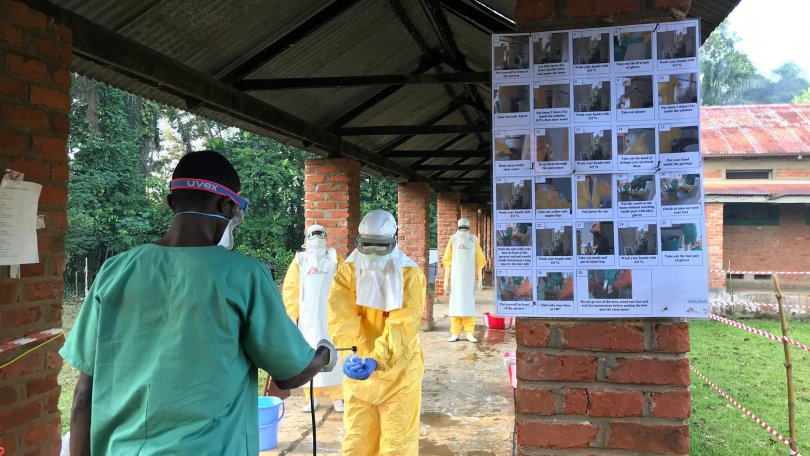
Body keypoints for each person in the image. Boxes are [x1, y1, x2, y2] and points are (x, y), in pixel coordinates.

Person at [60, 151, 337, 456]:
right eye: (235, 210)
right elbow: (291, 372)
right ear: (226, 205)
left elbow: (84, 392)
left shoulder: (115, 271)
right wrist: (325, 354)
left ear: (171, 203)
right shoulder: (244, 275)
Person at [327, 209, 425, 455]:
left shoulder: (410, 275)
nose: (372, 253)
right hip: (359, 369)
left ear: (393, 242)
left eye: (380, 246)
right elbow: (342, 316)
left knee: (397, 443)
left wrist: (378, 358)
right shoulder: (348, 272)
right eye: (366, 245)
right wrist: (349, 353)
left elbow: (403, 324)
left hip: (399, 373)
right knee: (357, 440)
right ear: (358, 242)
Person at [282, 225, 345, 413]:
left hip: (331, 316)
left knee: (334, 353)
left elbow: (344, 285)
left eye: (320, 234)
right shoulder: (300, 261)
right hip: (308, 317)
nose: (316, 238)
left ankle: (337, 396)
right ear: (306, 239)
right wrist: (292, 315)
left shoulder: (334, 259)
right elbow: (291, 289)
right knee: (309, 355)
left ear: (326, 237)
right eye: (313, 235)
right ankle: (311, 397)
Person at [443, 218, 486, 342]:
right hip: (456, 279)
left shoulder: (473, 241)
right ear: (457, 228)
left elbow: (479, 261)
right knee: (456, 306)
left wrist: (480, 280)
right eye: (461, 228)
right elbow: (448, 261)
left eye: (465, 228)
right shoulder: (453, 240)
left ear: (469, 229)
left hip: (468, 278)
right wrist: (446, 280)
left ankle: (469, 333)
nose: (463, 231)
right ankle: (455, 333)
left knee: (468, 305)